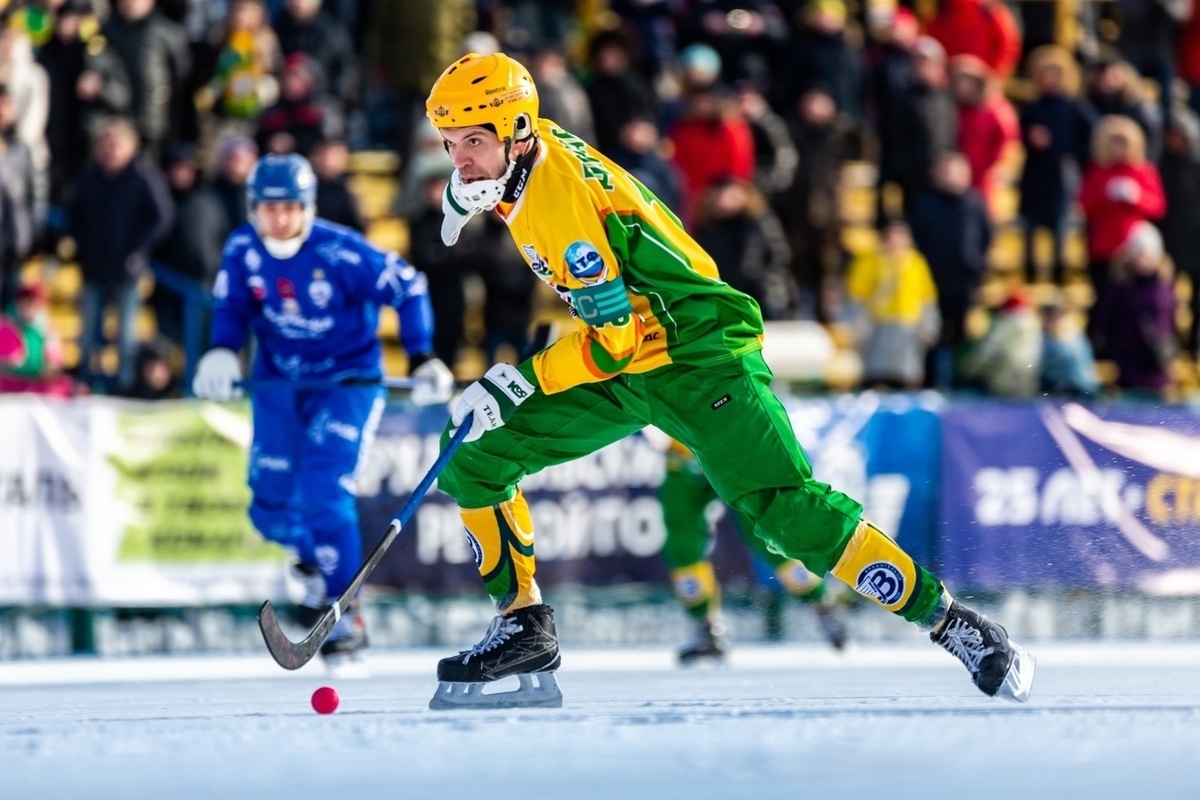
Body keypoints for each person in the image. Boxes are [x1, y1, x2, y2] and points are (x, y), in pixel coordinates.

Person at [422, 51, 1036, 709]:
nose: (461, 159)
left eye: (474, 143)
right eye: (451, 144)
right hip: (637, 363)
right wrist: (471, 186)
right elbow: (606, 318)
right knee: (475, 457)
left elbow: (612, 340)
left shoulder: (555, 206)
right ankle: (522, 627)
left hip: (695, 355)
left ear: (517, 130)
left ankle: (953, 623)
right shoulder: (525, 155)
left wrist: (517, 381)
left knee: (786, 514)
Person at [190, 153, 454, 667]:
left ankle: (345, 613)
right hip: (278, 384)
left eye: (290, 207)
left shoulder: (341, 251)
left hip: (345, 383)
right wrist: (221, 350)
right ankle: (314, 564)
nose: (280, 219)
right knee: (268, 509)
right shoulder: (242, 248)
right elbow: (232, 307)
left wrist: (422, 355)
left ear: (307, 207)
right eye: (269, 208)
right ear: (253, 209)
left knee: (322, 490)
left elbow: (409, 287)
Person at [653, 434, 848, 663]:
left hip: (735, 453)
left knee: (768, 537)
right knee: (682, 546)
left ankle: (822, 606)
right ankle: (706, 629)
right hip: (685, 459)